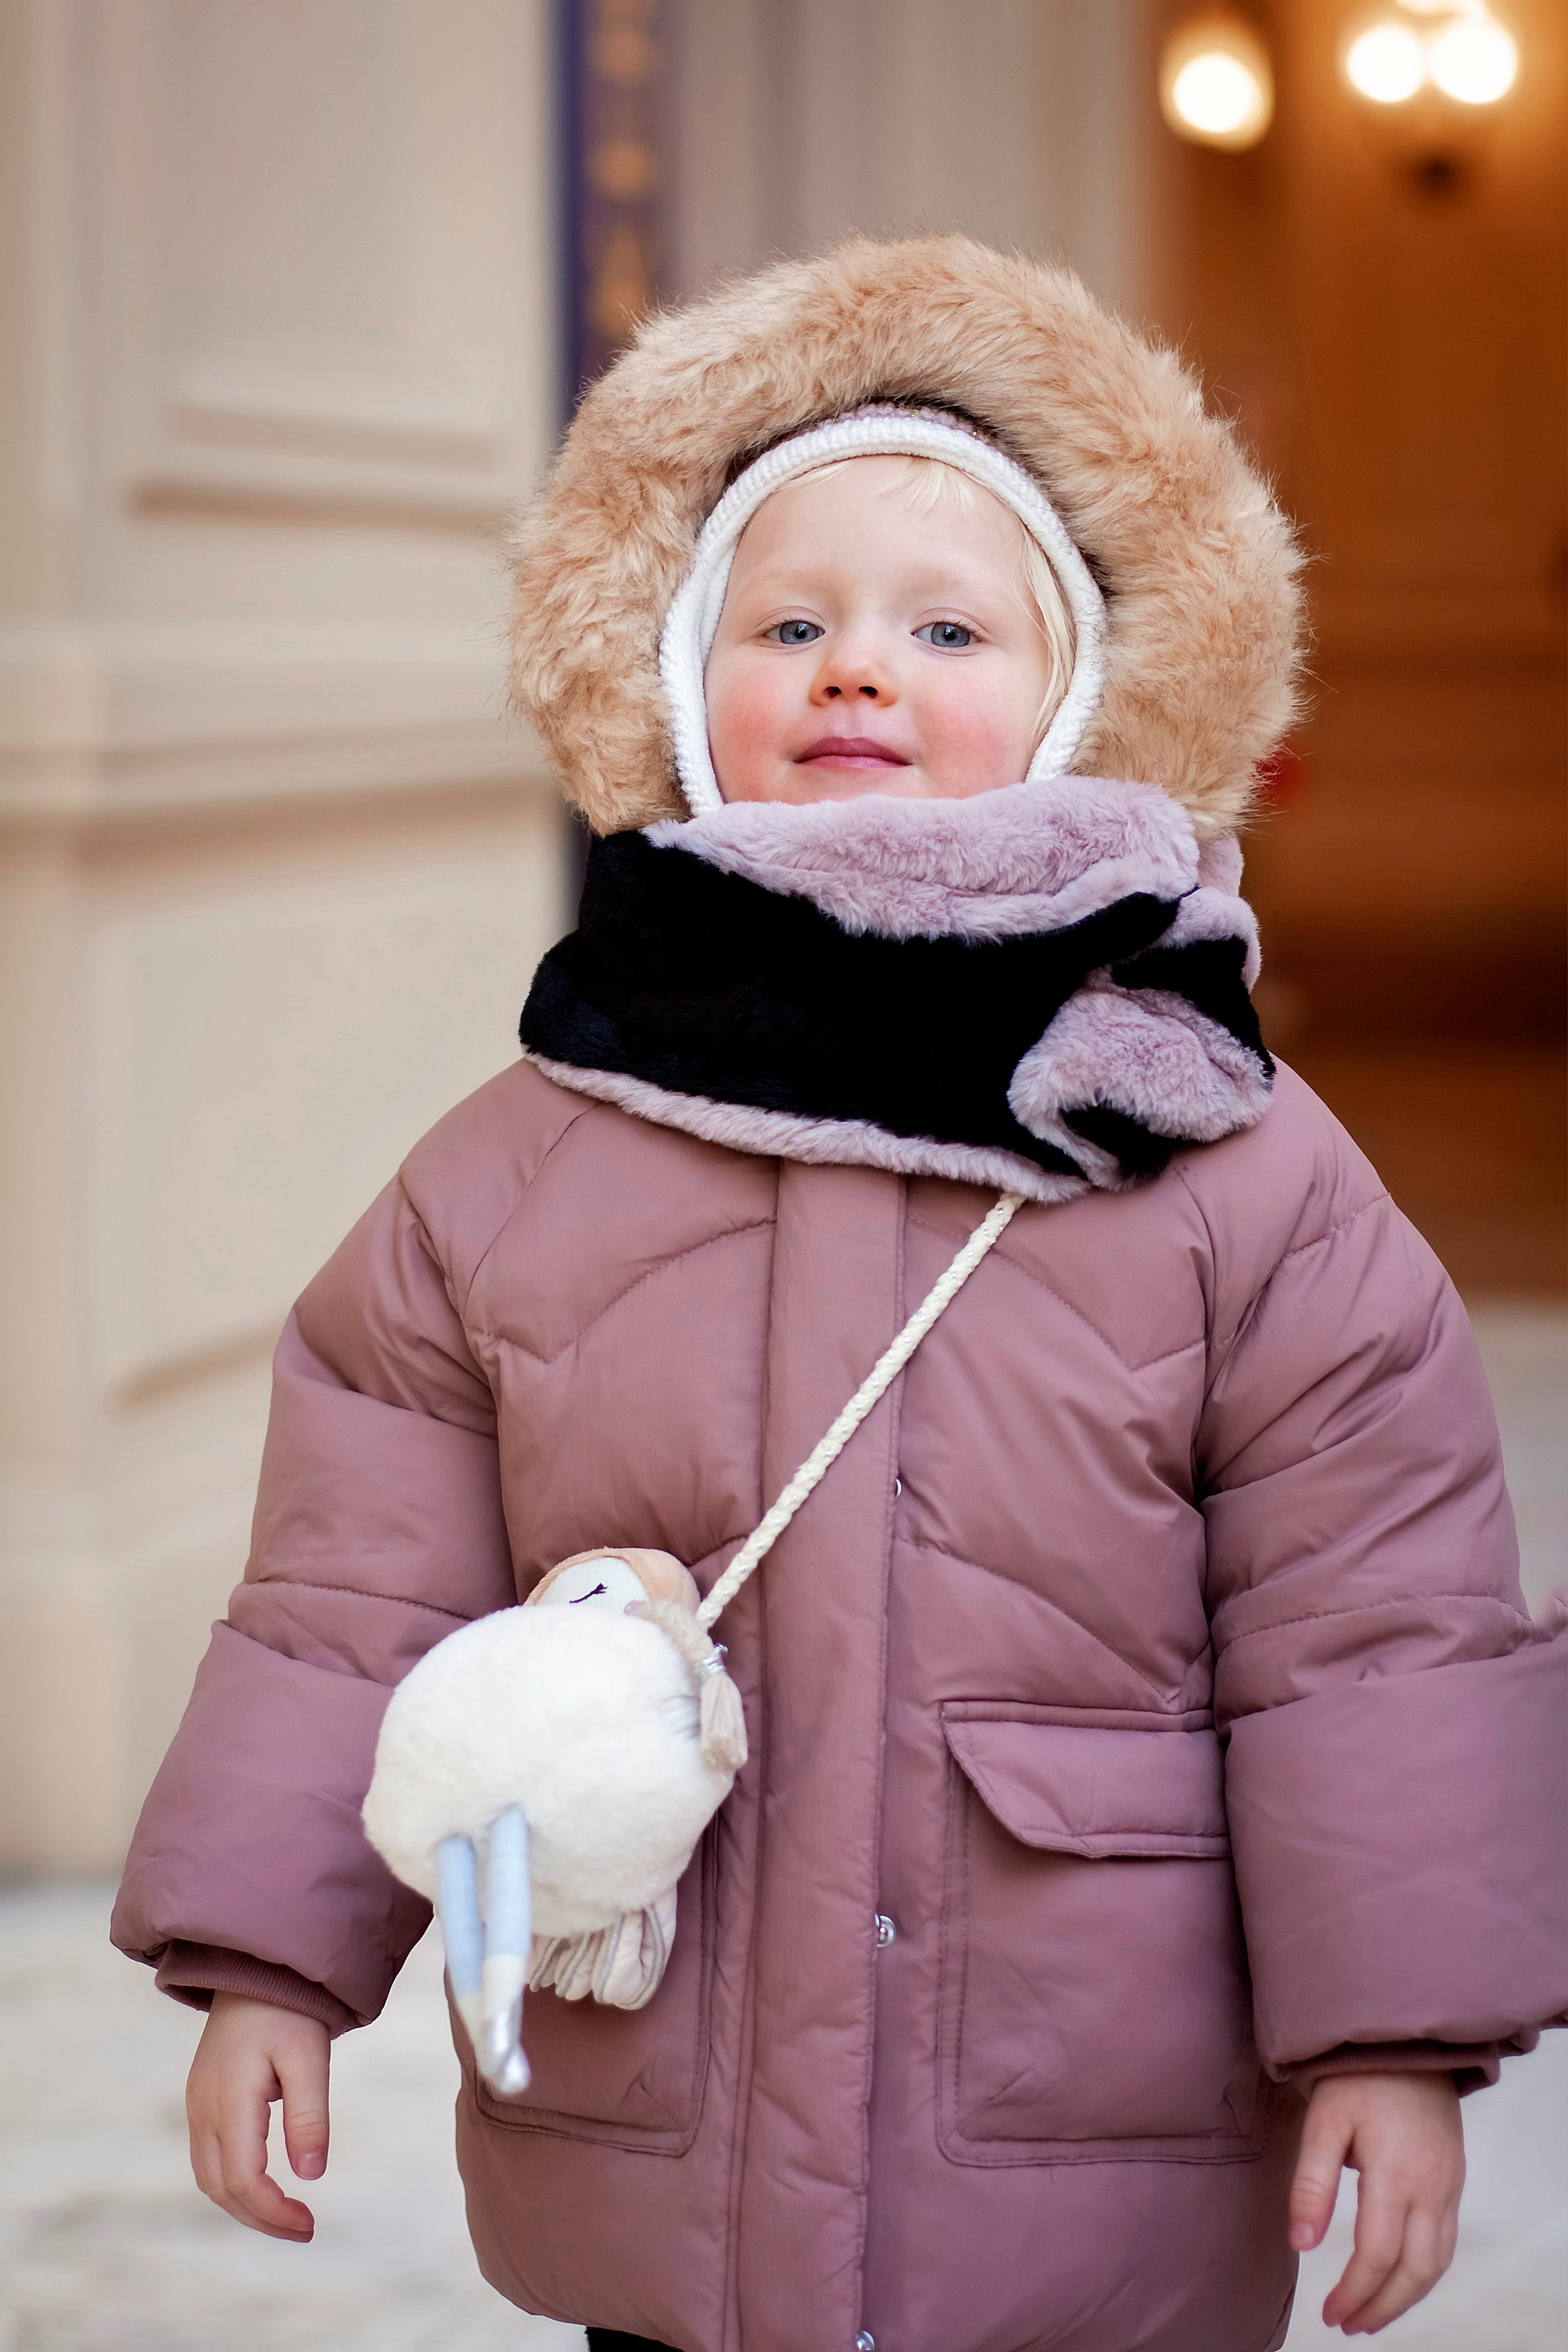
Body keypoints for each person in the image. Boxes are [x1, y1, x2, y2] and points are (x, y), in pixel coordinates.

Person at [112, 237, 1566, 2352]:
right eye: (787, 623)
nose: (855, 670)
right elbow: (354, 1596)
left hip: (1090, 2127)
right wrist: (270, 1961)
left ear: (1079, 697)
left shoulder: (1228, 1163)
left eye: (945, 626)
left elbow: (1373, 1635)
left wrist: (1396, 2036)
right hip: (670, 2116)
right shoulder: (533, 1153)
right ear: (683, 677)